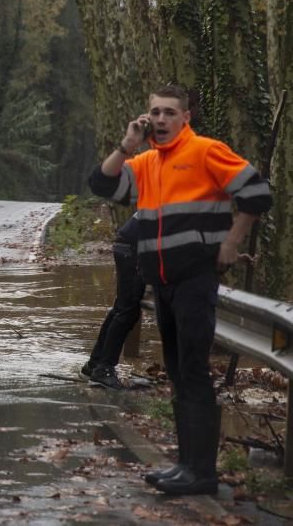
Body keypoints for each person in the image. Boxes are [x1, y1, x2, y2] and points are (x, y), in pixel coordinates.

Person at [88, 85, 271, 496]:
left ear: (185, 117)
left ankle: (202, 472)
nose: (161, 119)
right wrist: (127, 144)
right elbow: (102, 184)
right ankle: (186, 464)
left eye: (170, 112)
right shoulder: (148, 161)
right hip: (163, 282)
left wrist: (230, 243)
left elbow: (257, 194)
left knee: (192, 371)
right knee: (177, 372)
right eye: (155, 111)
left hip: (196, 278)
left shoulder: (206, 151)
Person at [80, 213, 146, 389]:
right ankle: (104, 370)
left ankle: (95, 363)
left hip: (130, 242)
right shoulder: (187, 195)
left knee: (122, 308)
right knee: (127, 311)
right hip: (134, 246)